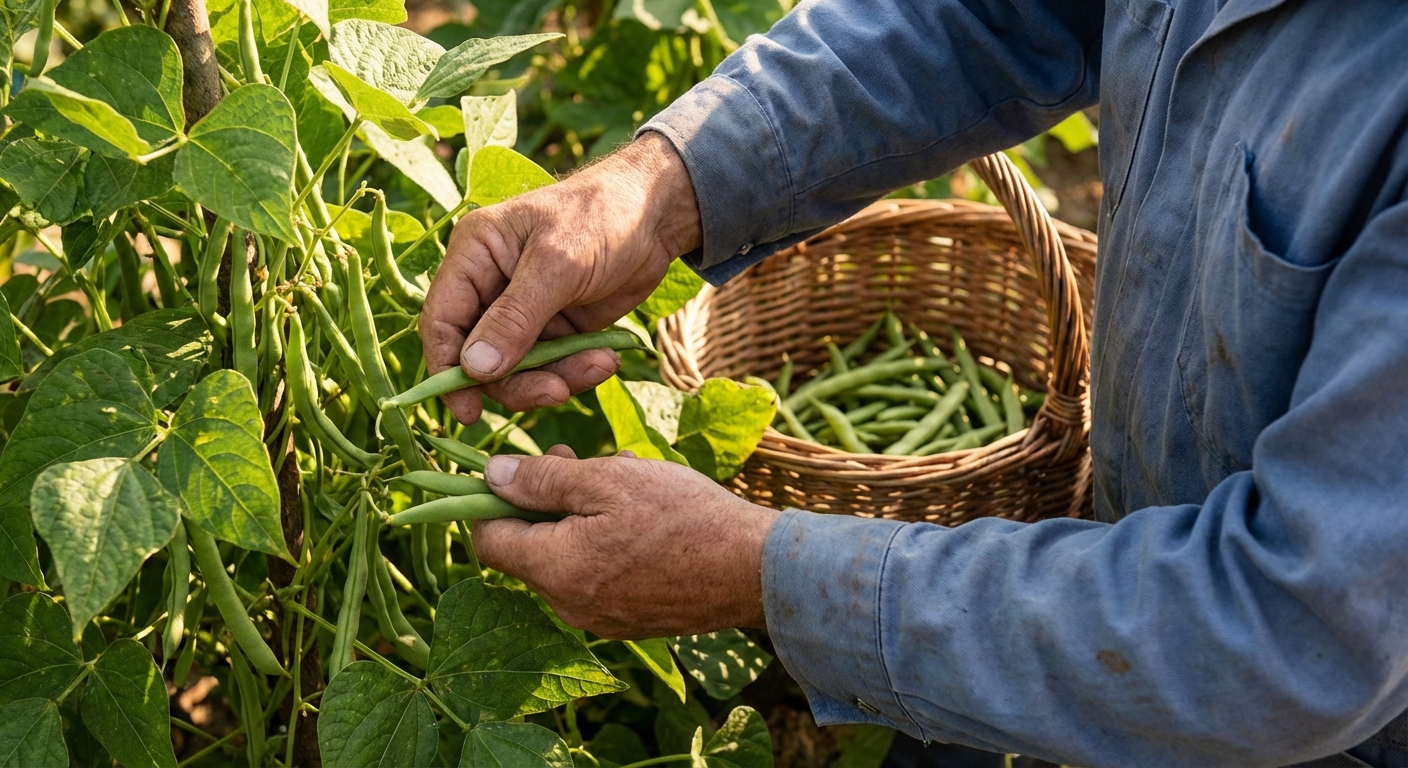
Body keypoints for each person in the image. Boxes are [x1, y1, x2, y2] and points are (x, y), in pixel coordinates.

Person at [418, 0, 1408, 764]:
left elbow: (1294, 629)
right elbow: (990, 15)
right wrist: (658, 187)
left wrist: (761, 572)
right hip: (1117, 604)